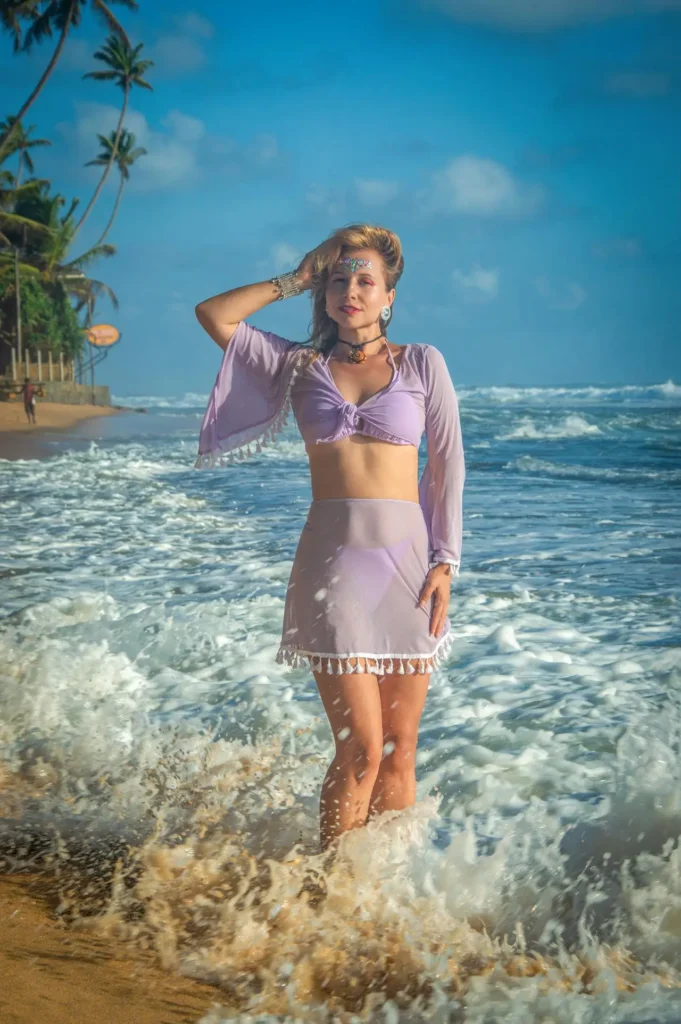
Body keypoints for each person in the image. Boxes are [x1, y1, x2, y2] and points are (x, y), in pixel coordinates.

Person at [195, 224, 466, 850]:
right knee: (361, 751)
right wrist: (297, 276)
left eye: (365, 279)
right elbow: (214, 314)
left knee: (399, 751)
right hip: (335, 566)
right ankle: (333, 891)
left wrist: (446, 561)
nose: (351, 289)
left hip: (409, 569)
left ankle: (381, 897)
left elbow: (447, 463)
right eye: (339, 279)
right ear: (323, 292)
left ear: (388, 296)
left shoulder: (423, 363)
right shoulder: (298, 366)